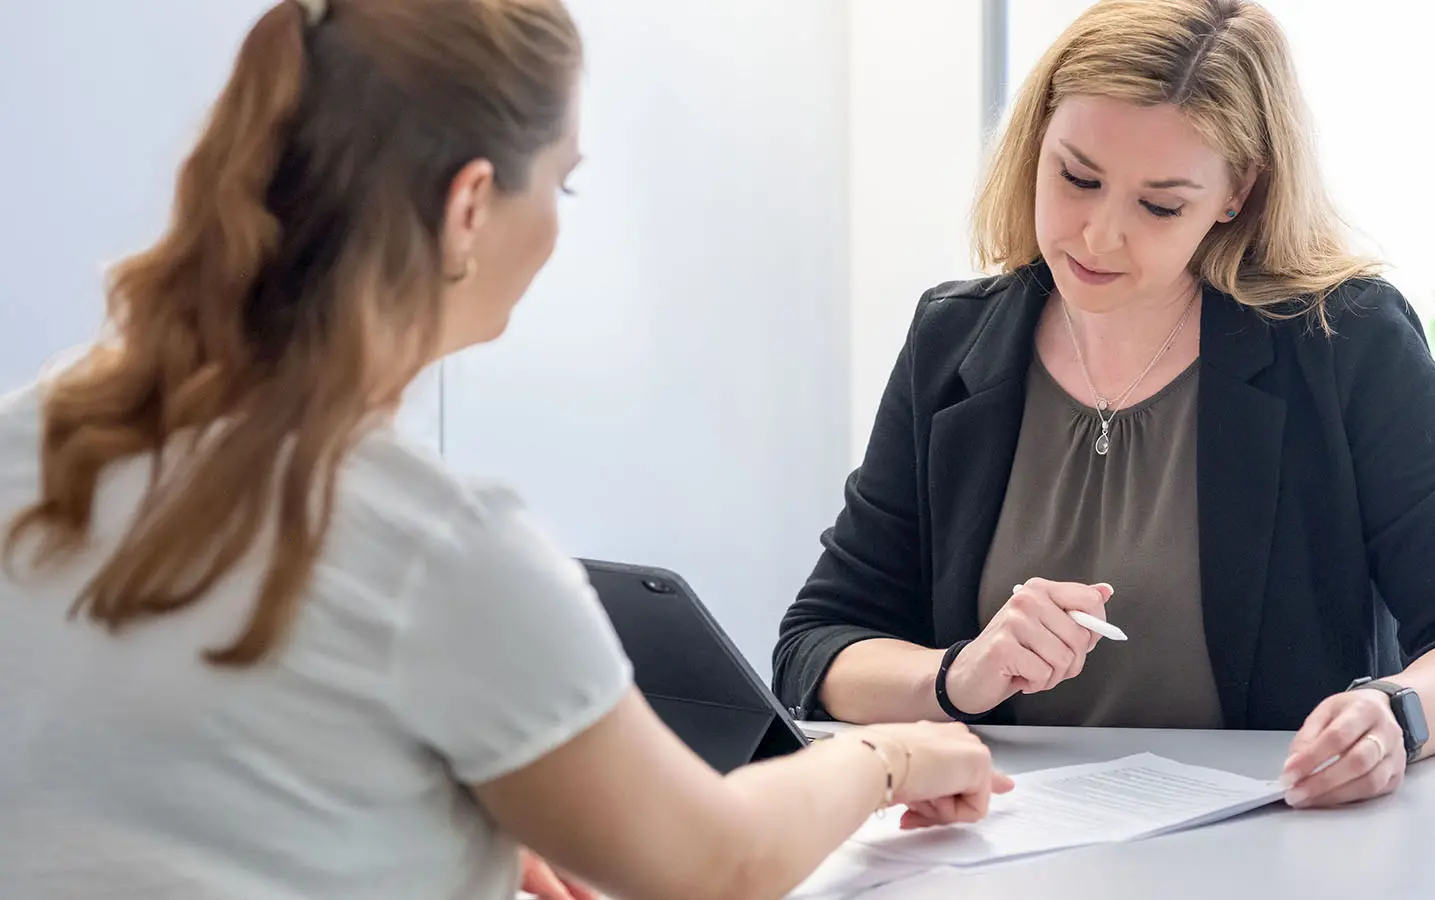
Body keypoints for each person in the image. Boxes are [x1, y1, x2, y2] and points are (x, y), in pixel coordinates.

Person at [0, 2, 1012, 899]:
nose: (556, 230)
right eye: (561, 187)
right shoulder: (436, 544)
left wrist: (441, 839)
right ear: (470, 204)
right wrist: (887, 758)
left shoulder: (29, 439)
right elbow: (720, 864)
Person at [773, 0, 1435, 811]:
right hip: (1000, 844)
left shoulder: (1343, 342)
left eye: (1160, 205)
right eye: (1076, 177)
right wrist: (956, 675)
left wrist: (1397, 714)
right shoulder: (954, 342)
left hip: (1280, 846)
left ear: (1237, 194)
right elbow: (817, 646)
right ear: (1036, 142)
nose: (1098, 236)